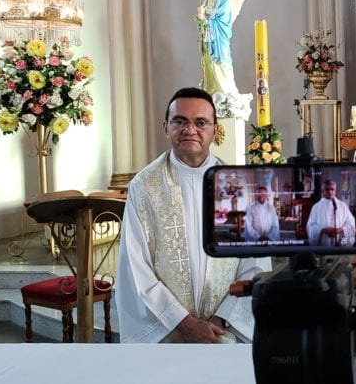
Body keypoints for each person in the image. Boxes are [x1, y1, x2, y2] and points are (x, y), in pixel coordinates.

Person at [116, 87, 270, 343]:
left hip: (225, 328)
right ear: (166, 127)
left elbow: (255, 263)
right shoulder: (144, 186)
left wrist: (220, 320)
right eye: (180, 121)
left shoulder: (240, 185)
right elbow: (135, 265)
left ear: (215, 129)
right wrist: (184, 323)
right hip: (165, 330)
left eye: (200, 122)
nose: (190, 130)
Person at [197, 0, 238, 95]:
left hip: (220, 35)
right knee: (209, 59)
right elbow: (204, 20)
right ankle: (212, 89)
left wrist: (206, 11)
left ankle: (226, 90)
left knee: (222, 58)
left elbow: (223, 14)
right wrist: (200, 17)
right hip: (209, 35)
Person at [306, 179, 356, 246]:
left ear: (335, 190)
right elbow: (310, 226)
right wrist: (322, 230)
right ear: (322, 191)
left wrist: (340, 230)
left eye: (332, 189)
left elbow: (351, 223)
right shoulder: (316, 207)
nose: (330, 192)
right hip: (323, 243)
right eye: (327, 189)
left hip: (339, 241)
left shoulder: (342, 205)